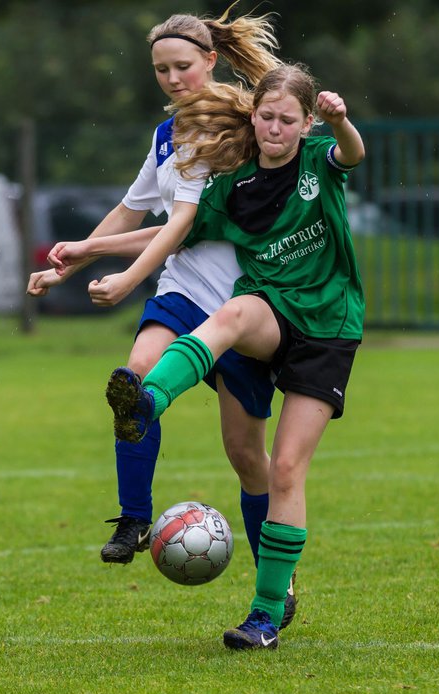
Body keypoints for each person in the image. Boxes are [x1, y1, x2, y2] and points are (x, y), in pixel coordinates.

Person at [25, 9, 298, 627]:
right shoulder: (165, 137)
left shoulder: (243, 131)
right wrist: (66, 262)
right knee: (137, 376)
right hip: (180, 295)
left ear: (211, 62)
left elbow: (177, 225)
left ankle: (275, 586)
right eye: (161, 70)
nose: (173, 79)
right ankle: (134, 518)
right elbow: (131, 210)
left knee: (245, 454)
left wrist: (120, 277)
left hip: (241, 307)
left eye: (182, 66)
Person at [105, 63, 366, 651]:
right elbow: (169, 231)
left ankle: (267, 616)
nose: (275, 128)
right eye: (267, 117)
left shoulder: (318, 160)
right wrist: (89, 251)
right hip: (271, 310)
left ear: (304, 126)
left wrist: (341, 121)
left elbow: (352, 154)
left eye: (288, 120)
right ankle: (147, 401)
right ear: (255, 116)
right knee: (230, 315)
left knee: (284, 470)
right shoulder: (231, 185)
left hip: (329, 328)